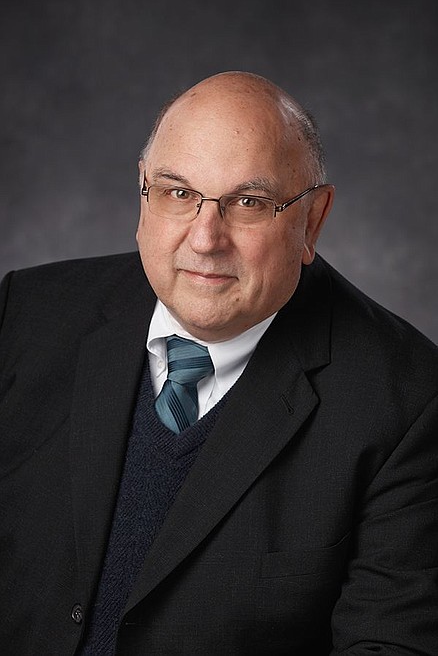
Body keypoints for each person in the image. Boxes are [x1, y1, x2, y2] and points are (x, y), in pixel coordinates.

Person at [0, 71, 437, 656]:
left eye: (248, 203)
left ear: (312, 220)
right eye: (178, 193)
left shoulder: (409, 403)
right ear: (143, 194)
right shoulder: (23, 315)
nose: (206, 239)